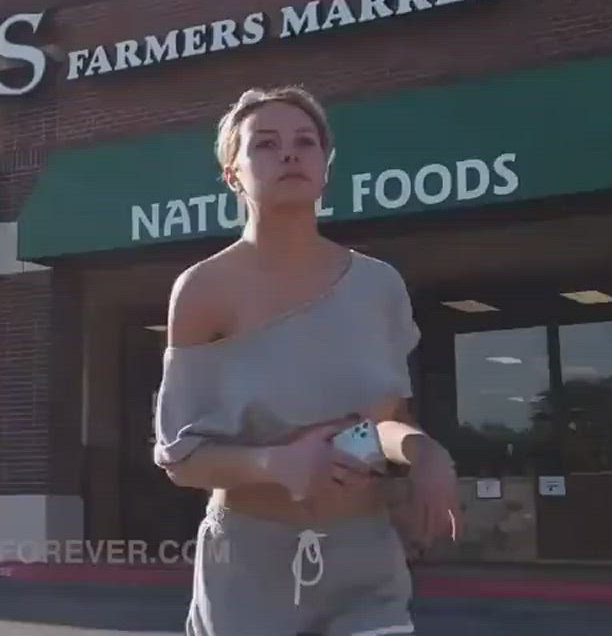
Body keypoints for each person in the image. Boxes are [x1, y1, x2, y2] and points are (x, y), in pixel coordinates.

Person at [153, 86, 461, 636]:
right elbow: (182, 458)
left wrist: (422, 451)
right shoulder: (204, 291)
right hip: (247, 569)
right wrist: (279, 465)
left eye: (305, 142)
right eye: (265, 144)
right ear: (233, 174)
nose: (289, 153)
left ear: (325, 165)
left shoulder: (378, 285)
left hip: (365, 563)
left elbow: (378, 426)